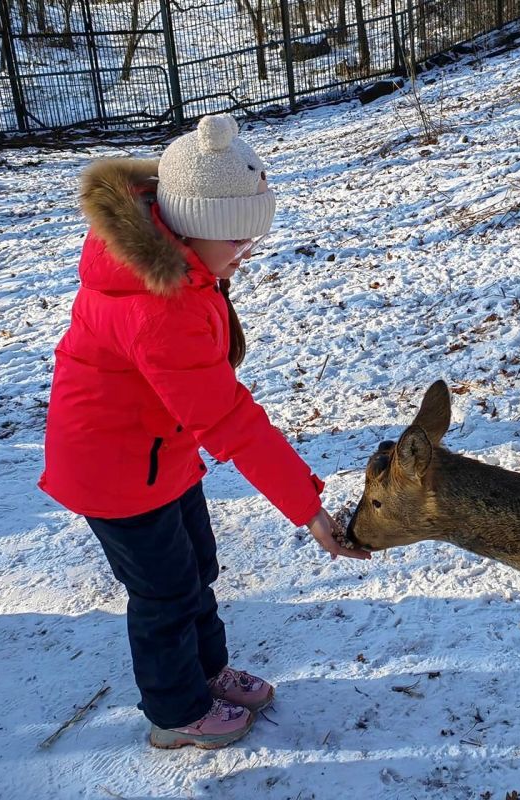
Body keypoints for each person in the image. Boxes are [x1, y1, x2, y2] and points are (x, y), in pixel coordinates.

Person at [39, 114, 369, 750]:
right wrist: (308, 508)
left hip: (159, 453)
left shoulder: (181, 269)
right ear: (192, 228)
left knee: (198, 568)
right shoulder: (158, 308)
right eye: (238, 242)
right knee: (163, 592)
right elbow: (229, 419)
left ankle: (208, 672)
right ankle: (176, 713)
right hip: (115, 471)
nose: (246, 255)